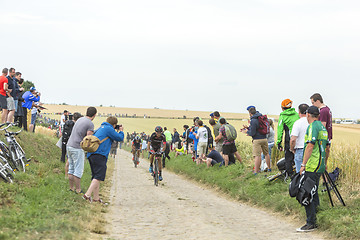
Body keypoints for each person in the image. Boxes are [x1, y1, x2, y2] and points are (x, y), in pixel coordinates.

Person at [297, 106, 329, 232]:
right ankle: (316, 217)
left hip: (312, 165)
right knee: (314, 192)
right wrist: (325, 163)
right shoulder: (323, 128)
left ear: (308, 115)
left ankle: (310, 222)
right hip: (320, 165)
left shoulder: (312, 127)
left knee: (307, 193)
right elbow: (327, 148)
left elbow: (310, 146)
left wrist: (303, 164)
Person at [83, 116, 124, 204]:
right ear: (114, 124)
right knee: (98, 176)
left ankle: (96, 198)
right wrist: (121, 131)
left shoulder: (100, 128)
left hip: (91, 154)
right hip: (99, 154)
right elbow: (120, 138)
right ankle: (87, 195)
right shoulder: (109, 129)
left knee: (95, 176)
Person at [67, 107, 97, 194]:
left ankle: (71, 188)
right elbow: (88, 139)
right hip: (77, 147)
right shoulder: (90, 124)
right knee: (78, 169)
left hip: (69, 145)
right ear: (94, 115)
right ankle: (78, 189)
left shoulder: (80, 119)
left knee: (71, 168)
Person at [241, 106, 271, 174]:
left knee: (257, 155)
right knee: (266, 154)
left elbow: (253, 132)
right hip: (264, 138)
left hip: (257, 140)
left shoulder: (253, 120)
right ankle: (269, 168)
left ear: (250, 113)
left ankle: (256, 171)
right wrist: (248, 128)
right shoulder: (261, 117)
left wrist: (246, 131)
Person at [276, 99, 299, 177]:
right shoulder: (296, 114)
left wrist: (279, 142)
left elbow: (280, 130)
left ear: (282, 107)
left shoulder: (282, 116)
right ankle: (298, 174)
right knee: (297, 156)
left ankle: (290, 176)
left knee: (288, 158)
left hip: (288, 139)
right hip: (298, 139)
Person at [310, 93, 332, 159]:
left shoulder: (323, 111)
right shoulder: (327, 109)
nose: (312, 105)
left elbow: (322, 126)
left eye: (313, 103)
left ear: (318, 101)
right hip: (328, 136)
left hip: (324, 138)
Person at [290, 104, 309, 173]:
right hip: (311, 150)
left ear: (299, 112)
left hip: (300, 150)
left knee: (300, 174)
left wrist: (292, 149)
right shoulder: (312, 123)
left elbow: (293, 139)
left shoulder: (297, 123)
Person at [62, 113, 82, 178]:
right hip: (74, 145)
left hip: (67, 143)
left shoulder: (67, 123)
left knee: (68, 161)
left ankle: (66, 175)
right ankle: (73, 176)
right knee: (73, 163)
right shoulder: (76, 125)